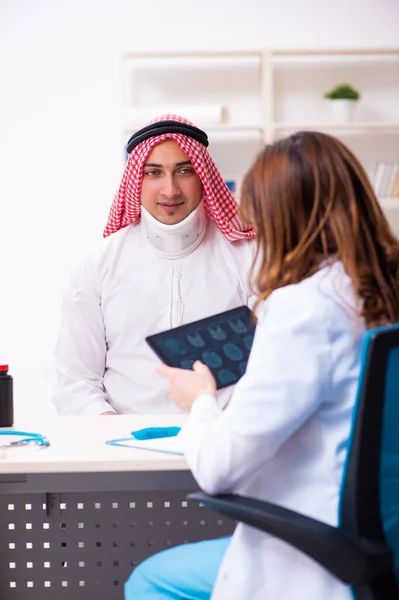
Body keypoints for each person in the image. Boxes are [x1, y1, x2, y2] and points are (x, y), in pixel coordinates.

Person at [124, 130, 399, 600]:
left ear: (283, 221)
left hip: (323, 554)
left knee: (149, 580)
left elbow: (218, 469)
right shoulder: (380, 292)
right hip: (387, 542)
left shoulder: (304, 308)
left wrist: (201, 402)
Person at [51, 114, 256, 416]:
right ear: (137, 180)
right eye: (153, 173)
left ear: (203, 176)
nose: (170, 190)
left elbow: (274, 365)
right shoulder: (98, 264)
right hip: (122, 446)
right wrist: (115, 439)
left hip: (225, 441)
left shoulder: (249, 256)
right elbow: (75, 381)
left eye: (184, 171)